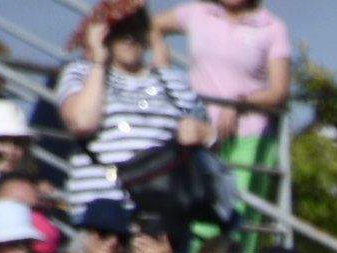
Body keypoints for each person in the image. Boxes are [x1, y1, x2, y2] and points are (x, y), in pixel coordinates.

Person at [54, 0, 209, 224]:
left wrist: (205, 134)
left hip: (161, 217)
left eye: (137, 28)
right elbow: (82, 122)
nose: (129, 37)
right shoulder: (81, 74)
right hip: (100, 215)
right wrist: (99, 62)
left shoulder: (175, 81)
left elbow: (209, 140)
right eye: (119, 29)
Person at [154, 0, 289, 197]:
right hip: (198, 132)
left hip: (247, 137)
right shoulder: (197, 13)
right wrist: (160, 56)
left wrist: (240, 103)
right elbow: (151, 25)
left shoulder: (272, 27)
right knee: (196, 209)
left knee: (237, 211)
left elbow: (279, 91)